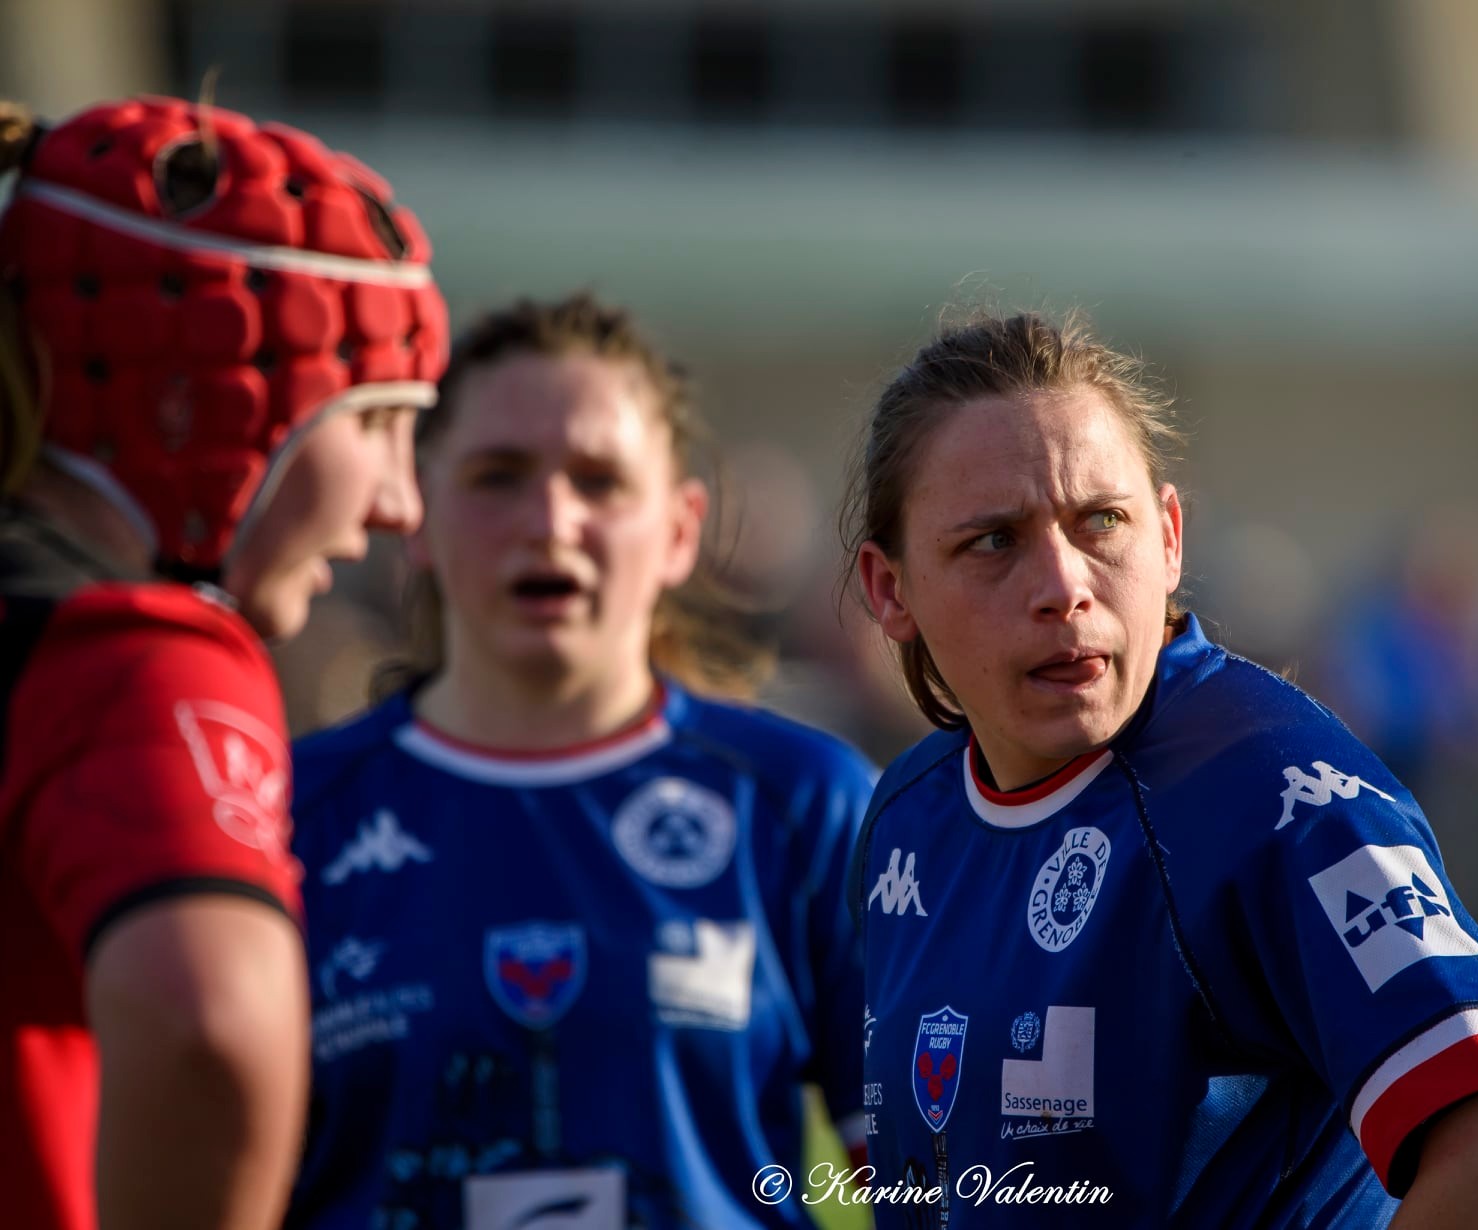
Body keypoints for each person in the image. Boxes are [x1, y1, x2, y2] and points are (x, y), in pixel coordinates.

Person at [845, 311, 1478, 1228]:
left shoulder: (1274, 795)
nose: (1064, 585)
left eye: (1102, 522)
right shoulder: (906, 820)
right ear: (892, 590)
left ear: (1169, 538)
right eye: (994, 542)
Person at [286, 294, 875, 1229]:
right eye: (498, 476)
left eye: (599, 480)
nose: (551, 520)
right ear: (416, 514)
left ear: (680, 530)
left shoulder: (804, 802)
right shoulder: (293, 815)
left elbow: (930, 1180)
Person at [0, 96, 446, 1230]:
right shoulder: (137, 656)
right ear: (210, 402)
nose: (401, 504)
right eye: (376, 424)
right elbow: (210, 1025)